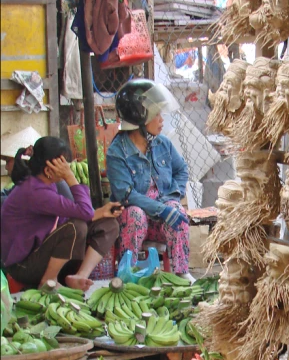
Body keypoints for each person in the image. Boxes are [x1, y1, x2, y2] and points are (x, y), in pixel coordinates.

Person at [1, 136, 121, 290]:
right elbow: (81, 214)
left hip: (42, 252)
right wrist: (70, 177)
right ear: (48, 169)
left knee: (109, 224)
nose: (67, 168)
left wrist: (100, 213)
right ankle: (48, 280)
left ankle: (80, 275)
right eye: (63, 164)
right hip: (23, 266)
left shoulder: (46, 183)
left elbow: (73, 213)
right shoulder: (35, 191)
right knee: (76, 227)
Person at [106, 79, 191, 274]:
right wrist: (160, 209)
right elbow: (125, 194)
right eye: (156, 114)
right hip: (134, 220)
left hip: (159, 220)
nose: (162, 119)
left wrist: (173, 197)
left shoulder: (163, 143)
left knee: (176, 211)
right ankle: (129, 274)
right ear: (139, 117)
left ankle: (181, 275)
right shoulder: (117, 152)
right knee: (134, 213)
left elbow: (181, 169)